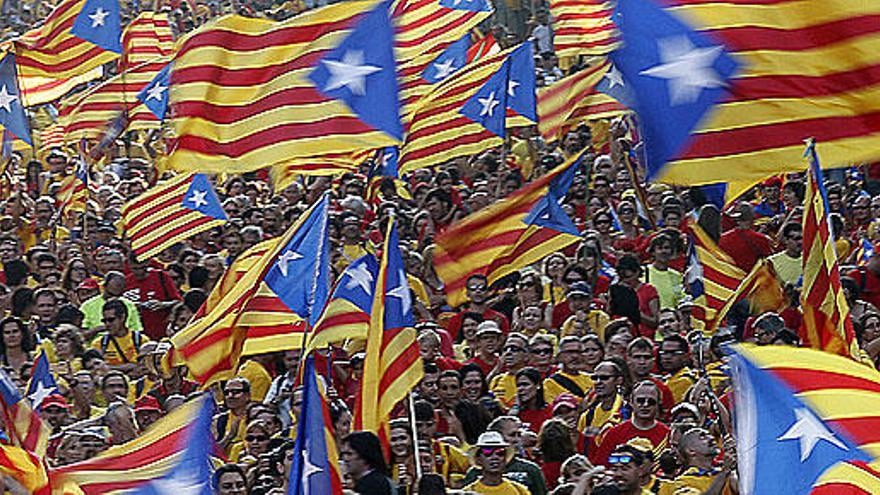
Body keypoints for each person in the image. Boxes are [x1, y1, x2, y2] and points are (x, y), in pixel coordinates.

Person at [594, 381, 670, 466]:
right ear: (631, 402)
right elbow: (600, 466)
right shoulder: (614, 433)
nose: (645, 405)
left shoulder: (667, 435)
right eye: (640, 400)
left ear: (658, 403)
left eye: (651, 401)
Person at [462, 431, 531, 494]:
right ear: (478, 459)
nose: (495, 457)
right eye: (487, 453)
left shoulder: (520, 491)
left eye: (500, 452)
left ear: (505, 458)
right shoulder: (468, 492)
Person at [342, 431, 395, 495]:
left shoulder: (375, 484)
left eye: (349, 454)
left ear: (365, 455)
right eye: (343, 454)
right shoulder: (360, 482)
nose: (345, 459)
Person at [544, 336, 593, 403]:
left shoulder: (592, 379)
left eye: (578, 352)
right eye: (569, 352)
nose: (575, 356)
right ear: (559, 356)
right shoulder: (550, 383)